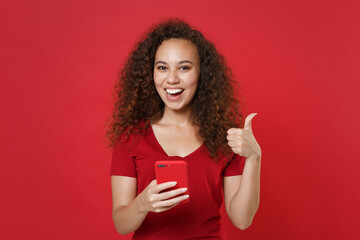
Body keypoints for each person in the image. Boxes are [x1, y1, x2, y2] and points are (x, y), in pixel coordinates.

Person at [106, 18, 261, 239]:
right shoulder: (131, 137)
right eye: (162, 68)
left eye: (184, 67)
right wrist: (142, 203)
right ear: (151, 74)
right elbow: (121, 224)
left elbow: (242, 220)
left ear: (202, 74)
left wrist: (254, 157)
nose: (172, 79)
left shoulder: (225, 136)